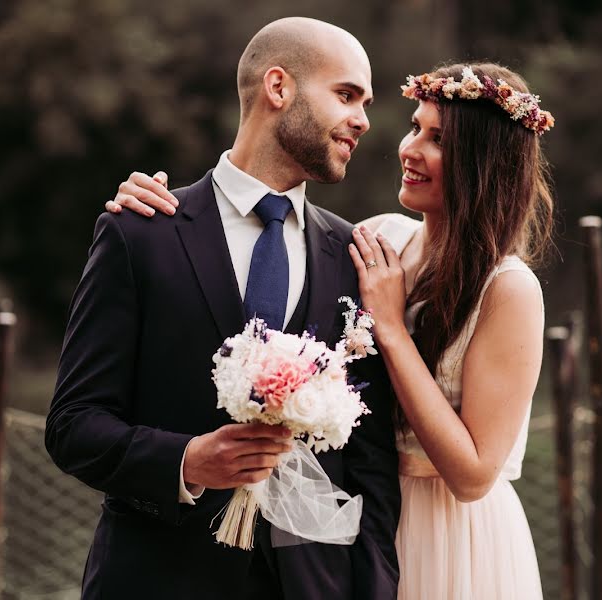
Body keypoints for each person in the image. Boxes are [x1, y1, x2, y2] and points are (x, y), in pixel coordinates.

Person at [110, 62, 554, 599]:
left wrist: (390, 327)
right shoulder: (375, 241)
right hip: (357, 527)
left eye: (437, 139)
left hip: (453, 535)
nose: (409, 149)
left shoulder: (508, 288)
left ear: (485, 161)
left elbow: (473, 475)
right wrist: (154, 202)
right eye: (415, 128)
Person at [46, 17, 401, 600]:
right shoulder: (140, 234)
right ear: (278, 88)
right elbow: (73, 425)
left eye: (364, 102)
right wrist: (186, 460)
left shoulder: (354, 259)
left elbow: (371, 469)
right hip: (157, 581)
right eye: (346, 95)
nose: (362, 119)